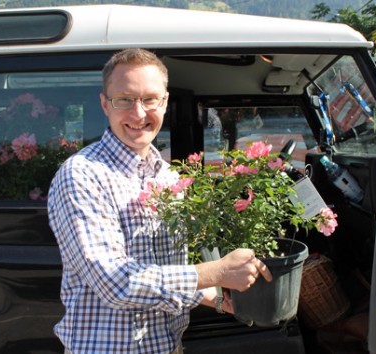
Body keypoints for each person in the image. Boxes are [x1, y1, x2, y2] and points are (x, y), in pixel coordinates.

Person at [47, 48, 272, 354]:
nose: (139, 113)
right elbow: (116, 283)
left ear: (165, 102)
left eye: (150, 99)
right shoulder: (82, 174)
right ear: (105, 104)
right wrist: (217, 272)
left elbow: (167, 273)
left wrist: (217, 298)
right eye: (124, 99)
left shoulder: (167, 177)